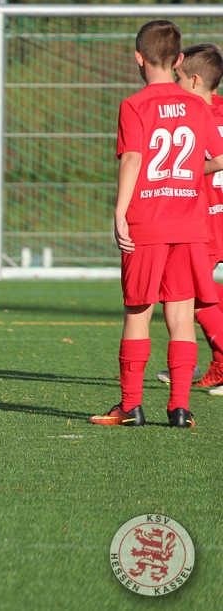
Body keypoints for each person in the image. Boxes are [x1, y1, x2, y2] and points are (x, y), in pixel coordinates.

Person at [91, 22, 223, 428]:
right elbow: (218, 158)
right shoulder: (198, 105)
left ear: (138, 57)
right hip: (189, 223)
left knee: (138, 312)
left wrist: (119, 211)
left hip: (147, 222)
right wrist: (186, 175)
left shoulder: (134, 105)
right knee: (181, 314)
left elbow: (132, 158)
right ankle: (180, 409)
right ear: (179, 59)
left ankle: (131, 407)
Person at [156, 43, 223, 392]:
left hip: (203, 217)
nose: (174, 83)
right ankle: (203, 362)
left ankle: (197, 359)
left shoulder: (191, 115)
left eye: (178, 77)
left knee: (190, 293)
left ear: (194, 80)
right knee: (199, 291)